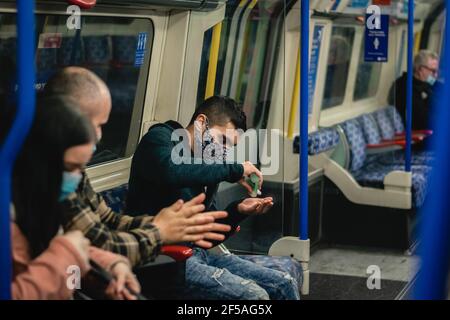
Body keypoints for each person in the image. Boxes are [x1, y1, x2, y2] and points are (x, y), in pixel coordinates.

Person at [43, 67, 231, 267]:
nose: (98, 135)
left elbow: (109, 220)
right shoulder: (41, 177)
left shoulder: (73, 172)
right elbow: (102, 244)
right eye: (95, 124)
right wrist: (158, 231)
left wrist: (163, 224)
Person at [126, 96, 301, 300]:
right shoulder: (159, 139)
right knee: (254, 296)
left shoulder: (207, 168)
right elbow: (170, 171)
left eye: (230, 146)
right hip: (163, 260)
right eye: (223, 140)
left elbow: (207, 237)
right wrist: (234, 170)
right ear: (201, 123)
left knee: (284, 283)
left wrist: (237, 211)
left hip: (198, 255)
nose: (224, 150)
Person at [5, 95, 140, 300]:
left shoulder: (39, 202)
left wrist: (111, 266)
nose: (76, 179)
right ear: (37, 161)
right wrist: (67, 253)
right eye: (70, 168)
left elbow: (66, 252)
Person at [389, 50, 440, 130]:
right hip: (419, 134)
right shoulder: (405, 86)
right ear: (420, 69)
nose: (435, 75)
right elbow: (421, 120)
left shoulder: (428, 81)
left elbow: (439, 85)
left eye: (437, 71)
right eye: (433, 71)